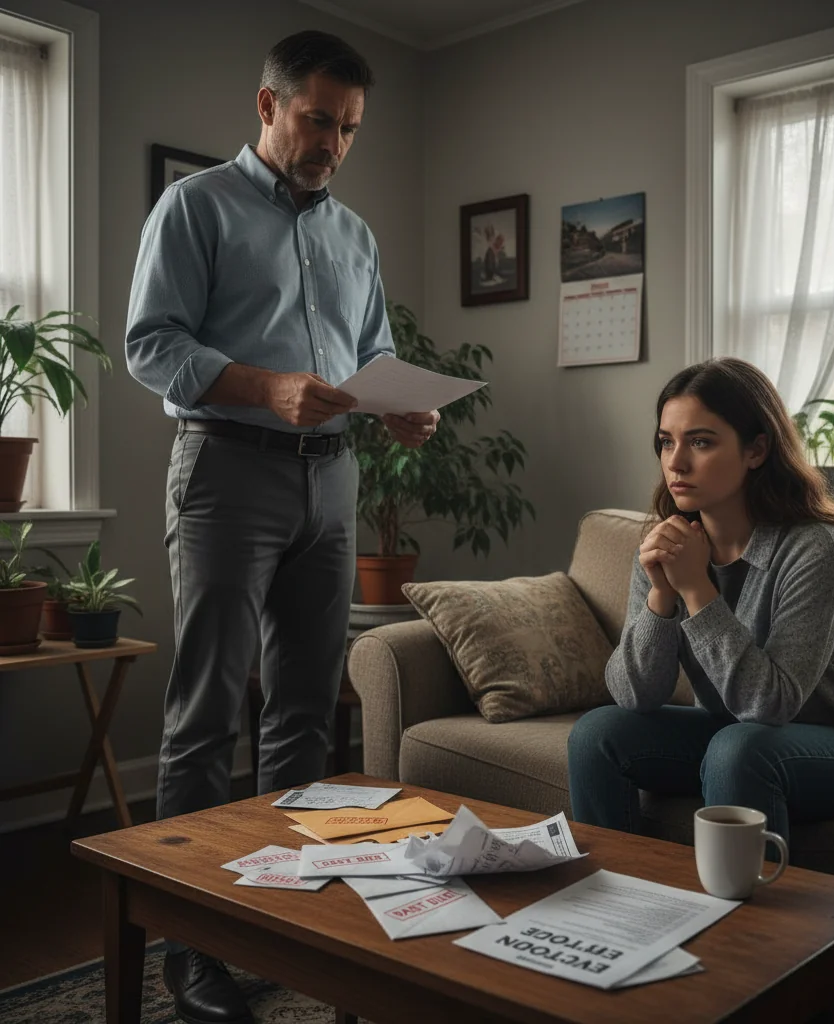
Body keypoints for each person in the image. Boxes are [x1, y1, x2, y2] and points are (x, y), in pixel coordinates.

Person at [125, 30, 438, 1024]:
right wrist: (266, 384)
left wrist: (399, 403)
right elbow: (149, 344)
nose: (333, 146)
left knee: (305, 712)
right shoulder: (195, 206)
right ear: (267, 108)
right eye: (317, 121)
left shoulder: (356, 236)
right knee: (207, 710)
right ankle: (191, 950)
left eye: (348, 129)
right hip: (225, 470)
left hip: (331, 480)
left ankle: (279, 916)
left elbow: (373, 347)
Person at [567, 357, 834, 850]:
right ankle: (618, 901)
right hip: (745, 738)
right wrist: (662, 596)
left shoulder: (814, 546)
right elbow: (634, 695)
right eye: (667, 441)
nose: (676, 462)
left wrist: (696, 590)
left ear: (756, 450)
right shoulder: (666, 543)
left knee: (738, 748)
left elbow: (768, 704)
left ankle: (744, 923)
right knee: (597, 733)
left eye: (701, 442)